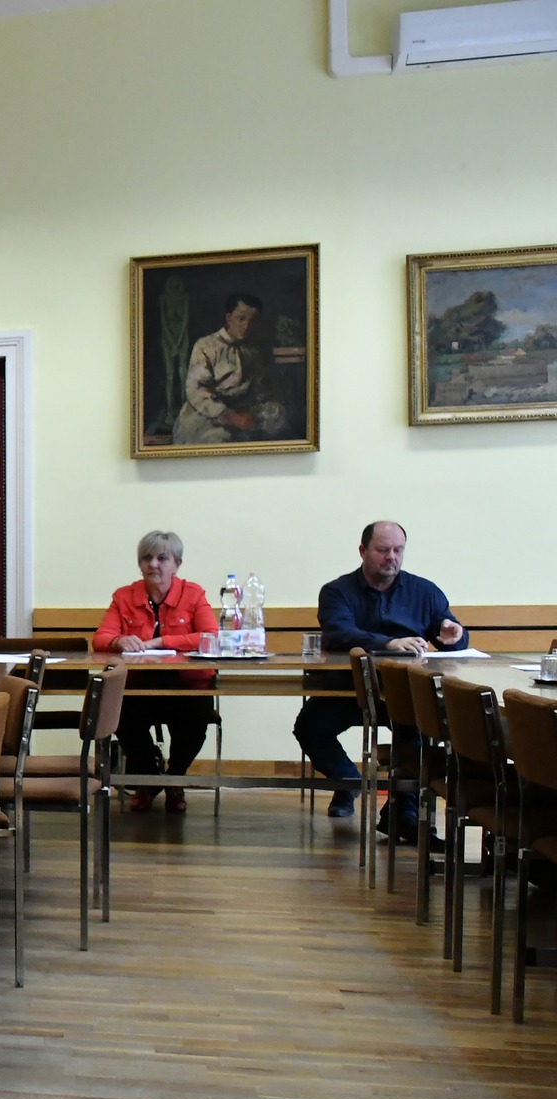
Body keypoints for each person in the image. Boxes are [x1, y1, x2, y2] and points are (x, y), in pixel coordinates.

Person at [296, 520, 465, 827]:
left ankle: (403, 814)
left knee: (419, 733)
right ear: (363, 551)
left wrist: (455, 634)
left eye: (398, 550)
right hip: (347, 689)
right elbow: (339, 632)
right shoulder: (336, 591)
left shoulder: (424, 591)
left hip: (405, 693)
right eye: (383, 550)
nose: (392, 557)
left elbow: (450, 637)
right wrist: (388, 644)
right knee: (310, 726)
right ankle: (347, 781)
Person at [93, 530, 218, 813]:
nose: (153, 564)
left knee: (196, 719)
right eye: (147, 558)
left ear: (177, 564)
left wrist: (162, 641)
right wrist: (118, 641)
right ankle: (149, 778)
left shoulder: (193, 593)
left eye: (162, 558)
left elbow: (210, 636)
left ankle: (175, 778)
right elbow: (101, 638)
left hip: (187, 685)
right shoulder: (124, 596)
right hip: (139, 685)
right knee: (117, 713)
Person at [171, 291, 290, 445]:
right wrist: (231, 416)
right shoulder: (206, 345)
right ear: (228, 318)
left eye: (252, 321)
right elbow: (197, 390)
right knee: (219, 439)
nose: (246, 326)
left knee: (278, 415)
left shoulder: (253, 350)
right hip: (211, 412)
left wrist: (258, 408)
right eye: (241, 319)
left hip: (243, 408)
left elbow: (261, 388)